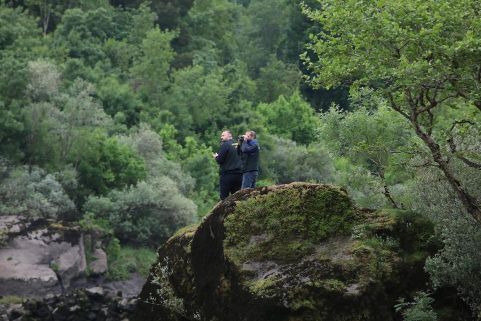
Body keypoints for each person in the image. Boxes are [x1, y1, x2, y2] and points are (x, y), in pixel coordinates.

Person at [213, 130, 243, 200]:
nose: (221, 137)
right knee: (237, 197)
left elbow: (220, 160)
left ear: (229, 136)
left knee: (224, 197)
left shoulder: (225, 145)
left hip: (227, 175)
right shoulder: (238, 144)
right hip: (239, 175)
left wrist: (216, 157)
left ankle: (226, 211)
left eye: (223, 135)